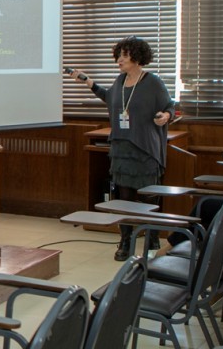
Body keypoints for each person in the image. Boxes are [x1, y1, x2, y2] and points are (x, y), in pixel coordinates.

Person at [68, 36, 174, 261]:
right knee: (123, 198)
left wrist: (165, 116)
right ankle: (126, 240)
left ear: (138, 58)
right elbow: (110, 99)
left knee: (148, 198)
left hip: (144, 149)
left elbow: (169, 107)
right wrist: (88, 82)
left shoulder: (153, 82)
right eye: (118, 56)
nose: (119, 60)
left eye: (124, 56)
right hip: (121, 148)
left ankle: (153, 238)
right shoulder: (120, 81)